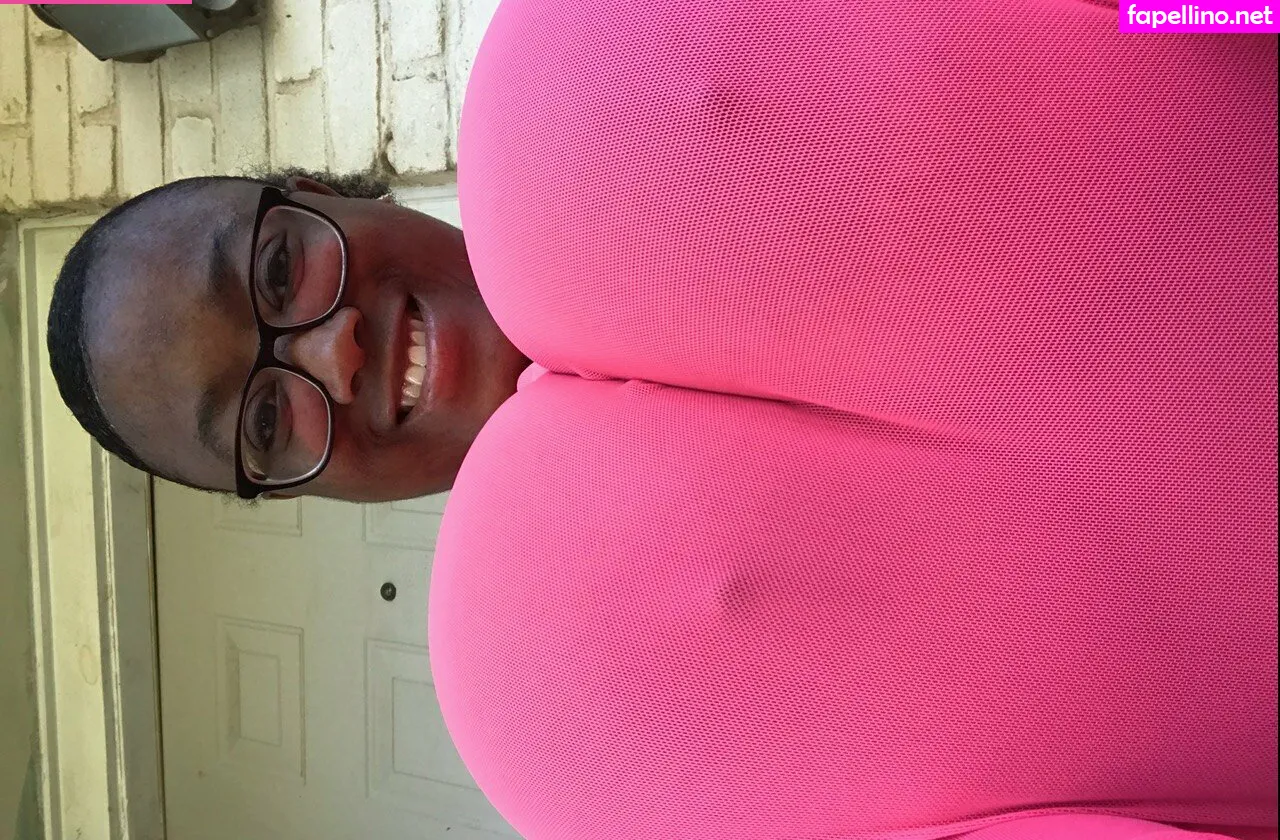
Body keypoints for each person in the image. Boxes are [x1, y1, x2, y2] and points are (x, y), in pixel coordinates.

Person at [47, 1, 1276, 839]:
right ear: (294, 495)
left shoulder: (604, 54)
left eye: (276, 274)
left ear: (315, 189)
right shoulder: (570, 729)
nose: (335, 349)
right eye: (264, 419)